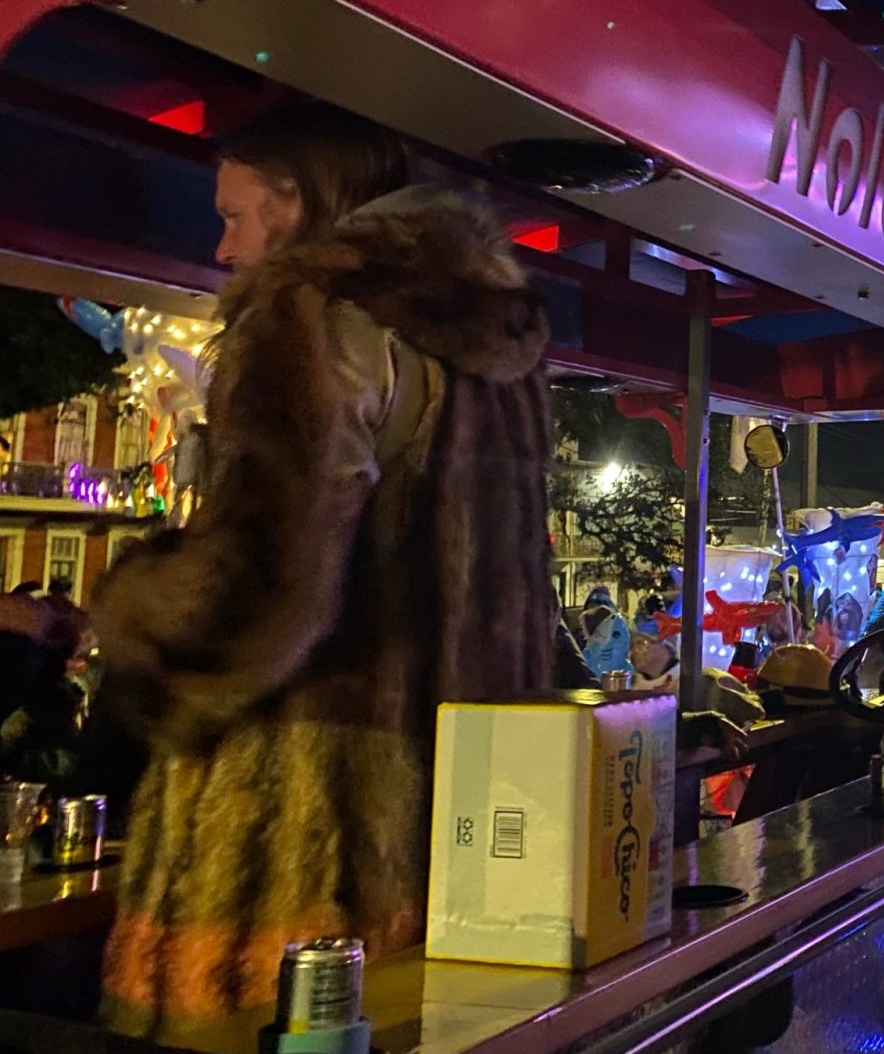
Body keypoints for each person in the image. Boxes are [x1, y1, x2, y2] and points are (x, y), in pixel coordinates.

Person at [92, 103, 558, 1043]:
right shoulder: (499, 348)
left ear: (298, 204)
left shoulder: (307, 318)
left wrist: (133, 612)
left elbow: (260, 588)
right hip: (462, 807)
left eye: (234, 215)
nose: (224, 248)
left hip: (302, 825)